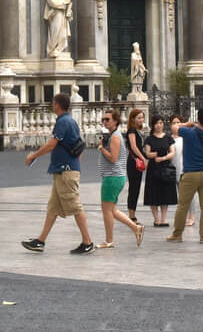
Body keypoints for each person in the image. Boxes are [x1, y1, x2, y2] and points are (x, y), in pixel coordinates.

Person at [21, 93, 95, 254]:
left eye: (53, 103)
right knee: (53, 207)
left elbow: (51, 145)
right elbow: (79, 146)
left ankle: (87, 242)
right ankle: (40, 241)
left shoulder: (62, 122)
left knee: (75, 206)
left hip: (65, 170)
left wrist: (33, 155)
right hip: (65, 169)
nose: (52, 105)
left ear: (57, 105)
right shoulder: (71, 121)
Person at [170, 107, 203, 243]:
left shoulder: (188, 132)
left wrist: (187, 124)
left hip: (190, 173)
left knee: (183, 205)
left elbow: (174, 128)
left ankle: (177, 234)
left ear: (198, 118)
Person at [96, 109, 144, 248]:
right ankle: (136, 228)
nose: (104, 122)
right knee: (112, 210)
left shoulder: (115, 137)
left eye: (107, 119)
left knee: (107, 210)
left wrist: (101, 148)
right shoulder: (112, 135)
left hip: (113, 177)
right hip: (114, 176)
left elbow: (113, 158)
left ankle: (109, 240)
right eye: (103, 119)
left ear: (115, 121)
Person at [143, 115, 178, 227]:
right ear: (153, 125)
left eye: (161, 123)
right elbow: (147, 153)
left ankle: (163, 219)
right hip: (153, 168)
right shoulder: (149, 139)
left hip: (165, 167)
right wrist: (157, 154)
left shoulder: (168, 138)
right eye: (157, 123)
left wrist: (163, 157)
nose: (159, 125)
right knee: (153, 194)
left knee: (165, 193)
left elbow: (173, 152)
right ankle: (156, 219)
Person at [123, 108, 147, 224]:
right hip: (134, 162)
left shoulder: (138, 130)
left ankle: (132, 213)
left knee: (136, 188)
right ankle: (131, 215)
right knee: (133, 188)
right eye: (139, 118)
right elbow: (133, 146)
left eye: (142, 117)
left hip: (136, 161)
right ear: (133, 119)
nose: (141, 120)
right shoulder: (132, 130)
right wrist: (143, 158)